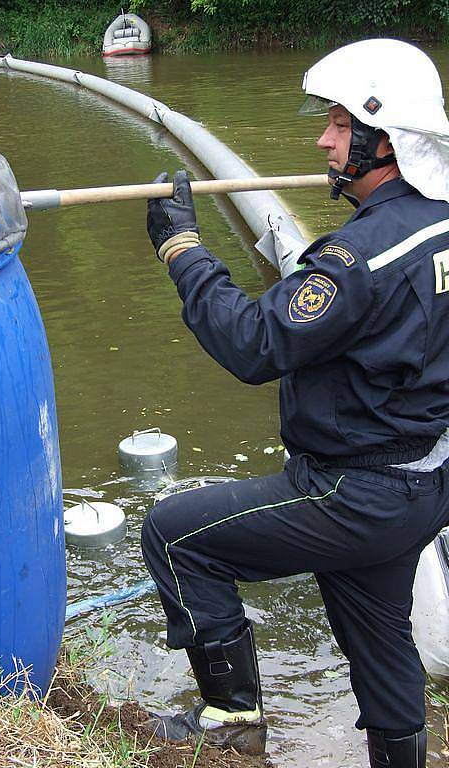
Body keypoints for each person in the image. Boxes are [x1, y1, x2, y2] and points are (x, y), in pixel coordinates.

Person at [141, 38, 449, 768]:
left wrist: (183, 247)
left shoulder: (357, 260)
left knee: (175, 535)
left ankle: (231, 719)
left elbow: (254, 344)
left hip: (353, 491)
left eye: (340, 125)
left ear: (385, 141)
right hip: (424, 481)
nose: (323, 139)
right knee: (380, 639)